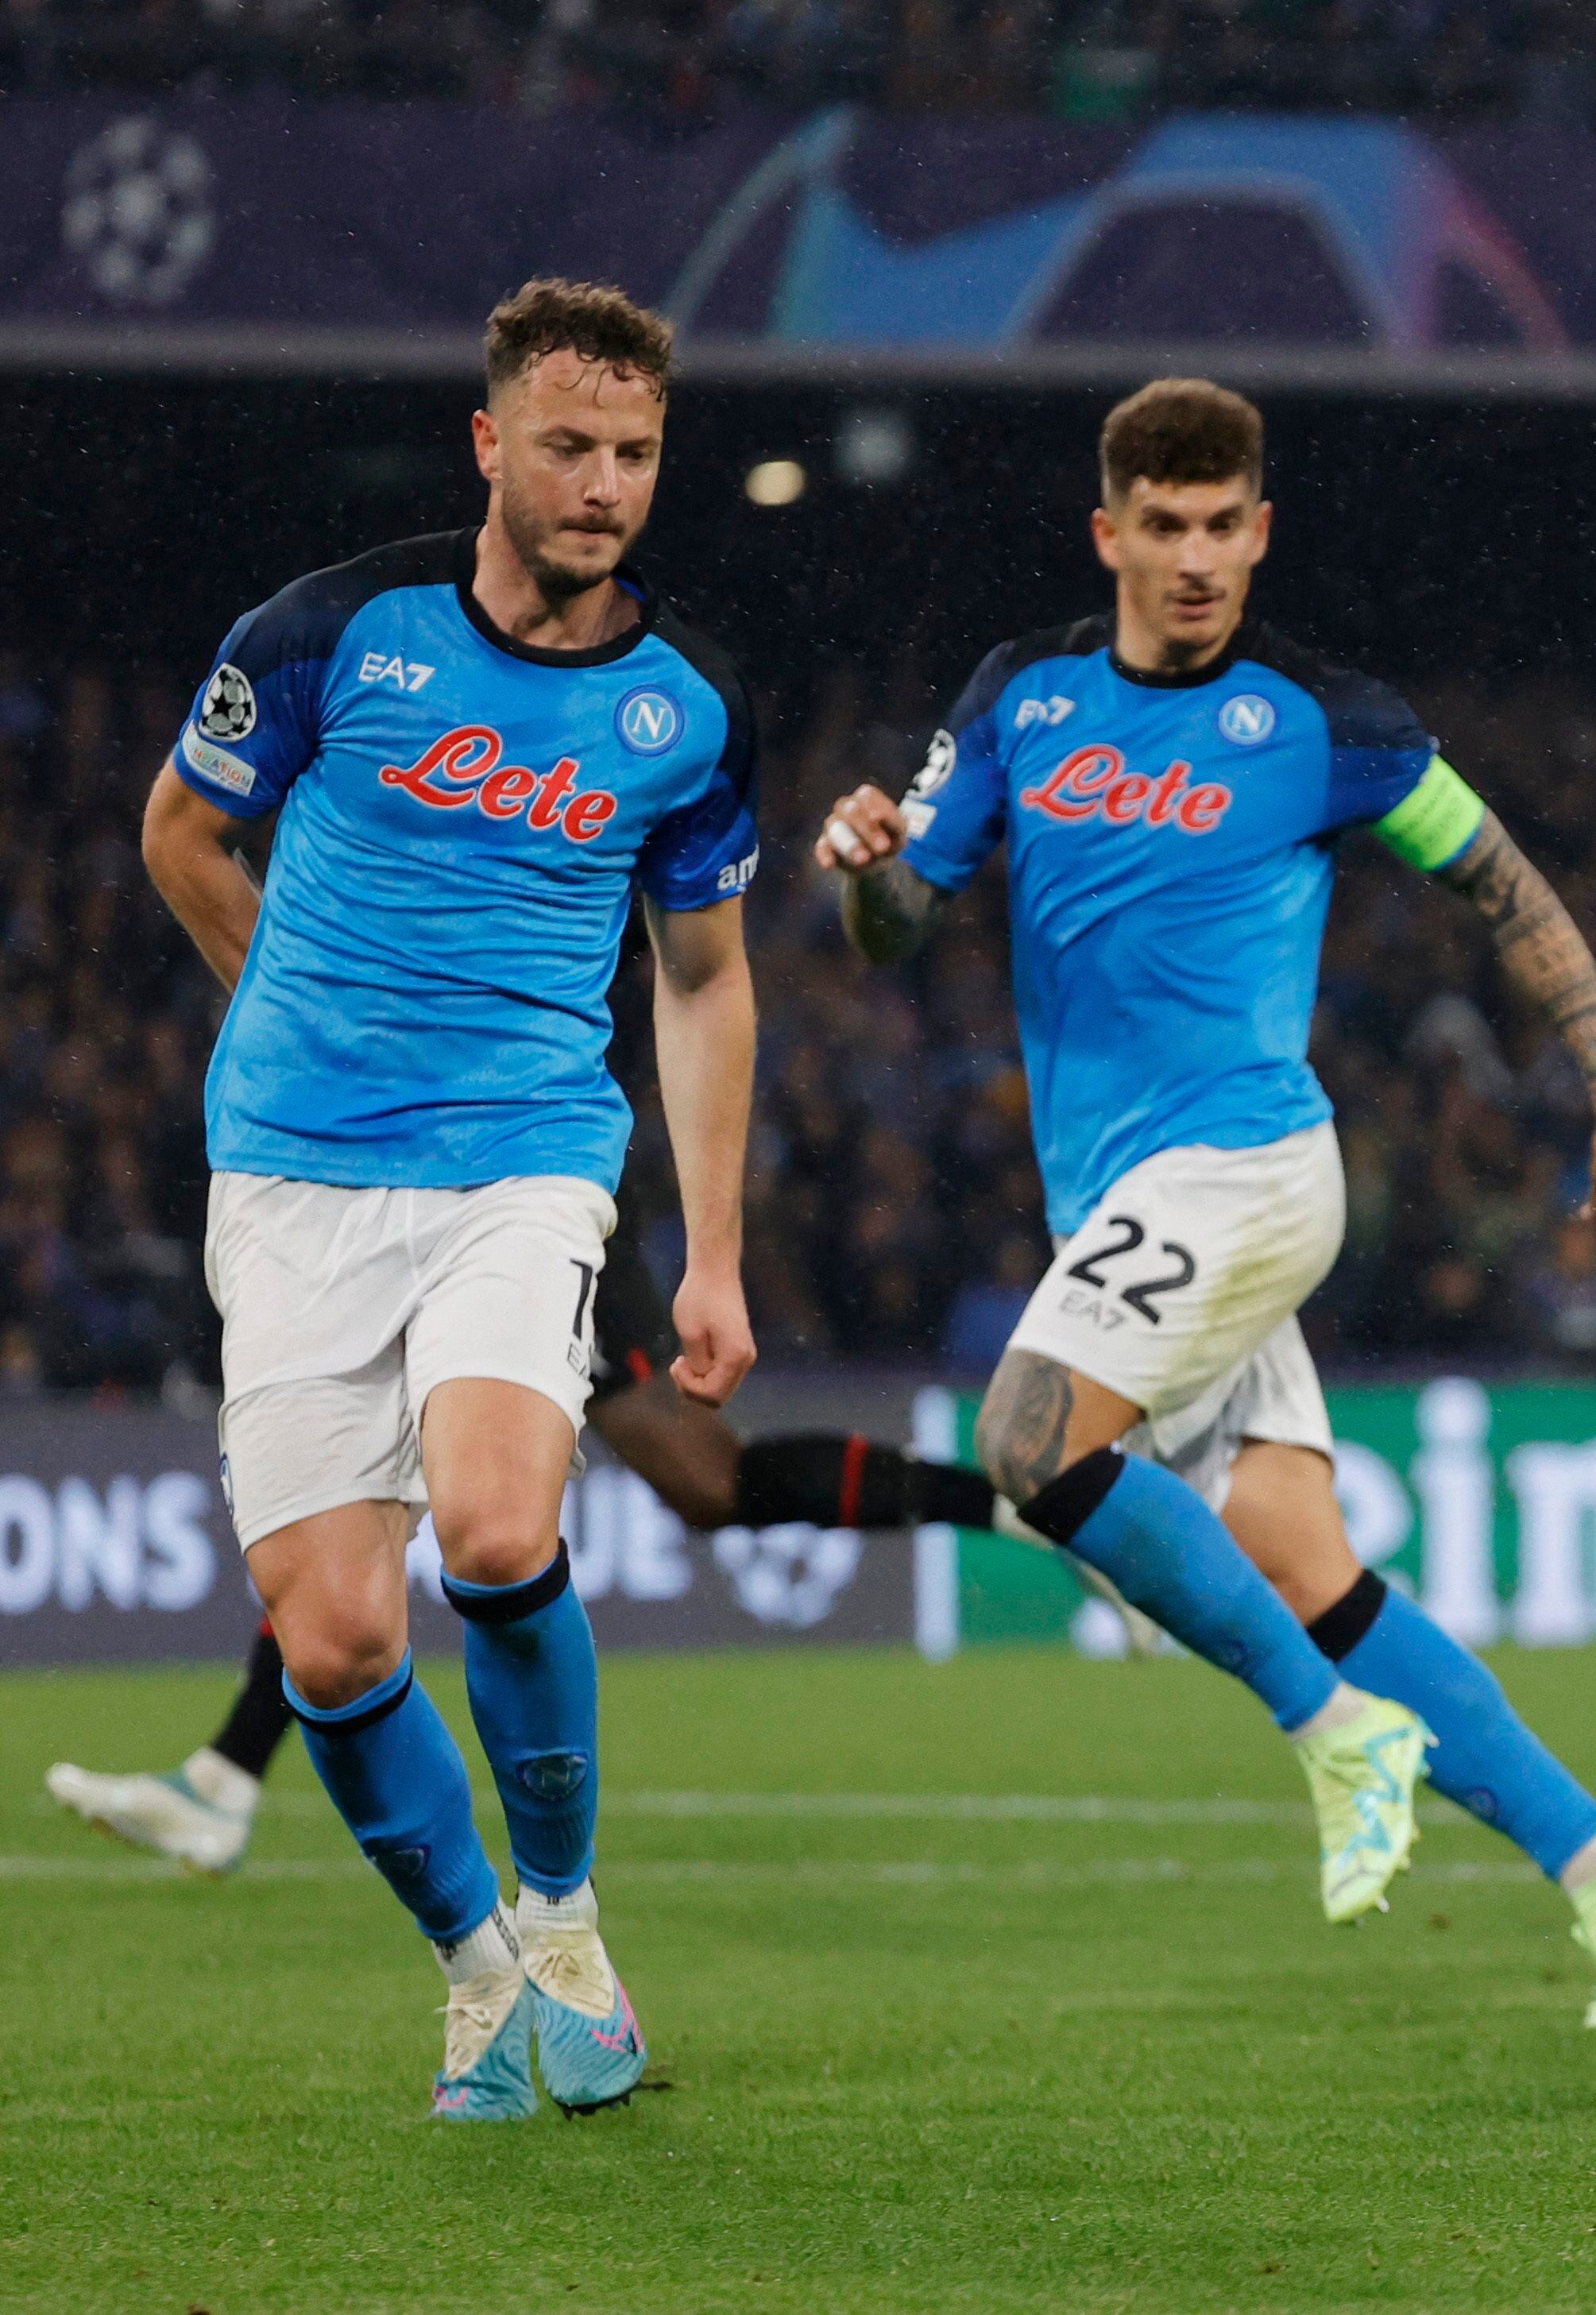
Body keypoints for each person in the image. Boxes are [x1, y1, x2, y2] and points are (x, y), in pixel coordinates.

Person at [816, 379, 1596, 2029]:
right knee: (1307, 1560)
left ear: (1261, 530)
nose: (1196, 556)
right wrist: (870, 862)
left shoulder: (1328, 722)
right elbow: (892, 926)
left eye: (1224, 523)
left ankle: (1330, 1726)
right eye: (1162, 525)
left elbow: (1506, 887)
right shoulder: (1024, 702)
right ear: (1110, 535)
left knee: (1031, 1440)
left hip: (1250, 1165)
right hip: (1127, 1204)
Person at [133, 279, 759, 2119]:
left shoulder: (685, 702)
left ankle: (564, 1924)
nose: (604, 485)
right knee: (333, 1639)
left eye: (636, 454)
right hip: (296, 1173)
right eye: (568, 446)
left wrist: (712, 1248)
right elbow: (183, 830)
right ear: (491, 443)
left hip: (525, 1161)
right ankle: (480, 1975)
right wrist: (288, 1011)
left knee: (494, 1528)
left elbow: (705, 977)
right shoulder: (332, 634)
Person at [45, 1209, 1003, 1874]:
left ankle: (1010, 1505)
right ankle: (227, 1776)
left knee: (686, 1477)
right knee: (385, 1481)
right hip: (434, 1175)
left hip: (520, 1179)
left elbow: (683, 964)